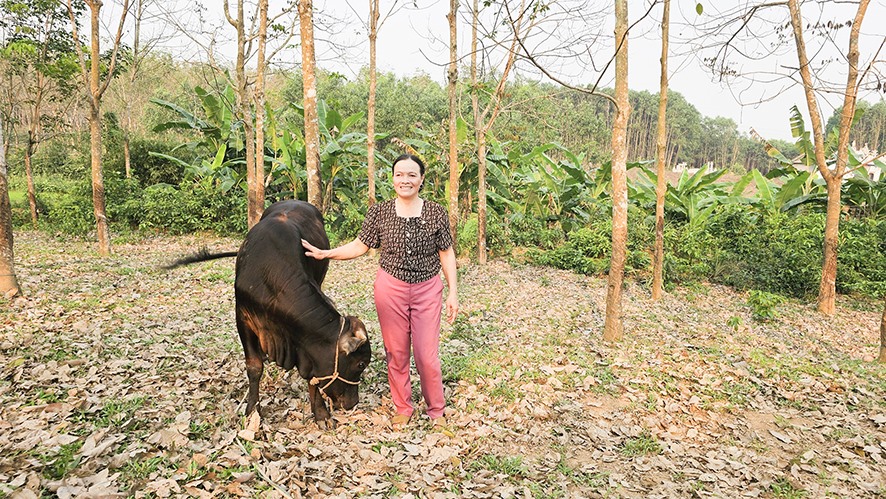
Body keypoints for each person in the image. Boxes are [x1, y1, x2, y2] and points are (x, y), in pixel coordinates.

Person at [302, 154, 458, 427]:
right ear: (393, 178)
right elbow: (360, 246)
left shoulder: (436, 212)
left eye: (412, 175)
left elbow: (446, 253)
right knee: (396, 353)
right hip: (391, 290)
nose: (405, 180)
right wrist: (325, 253)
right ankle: (403, 407)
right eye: (400, 174)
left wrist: (453, 292)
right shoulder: (380, 212)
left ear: (421, 179)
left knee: (426, 355)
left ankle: (436, 409)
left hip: (427, 290)